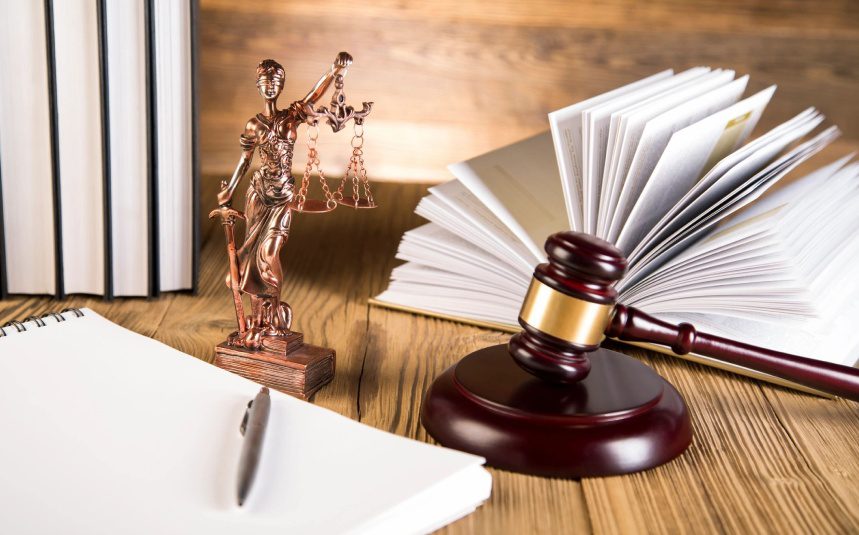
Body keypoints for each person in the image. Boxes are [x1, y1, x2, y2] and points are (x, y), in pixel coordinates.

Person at [217, 53, 352, 347]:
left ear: (281, 86)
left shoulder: (290, 117)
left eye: (275, 82)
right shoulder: (254, 125)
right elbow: (245, 160)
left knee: (269, 251)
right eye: (265, 82)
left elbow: (314, 95)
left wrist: (332, 71)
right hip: (259, 195)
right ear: (258, 86)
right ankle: (259, 321)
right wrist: (230, 191)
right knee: (251, 257)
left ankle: (274, 312)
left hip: (282, 197)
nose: (270, 87)